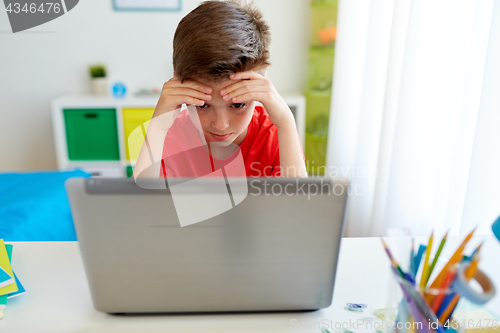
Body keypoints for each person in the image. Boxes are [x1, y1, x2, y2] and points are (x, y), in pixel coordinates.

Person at [133, 0, 307, 180]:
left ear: (261, 84)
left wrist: (286, 123)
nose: (220, 125)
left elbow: (298, 206)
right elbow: (139, 207)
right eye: (203, 105)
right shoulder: (172, 136)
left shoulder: (275, 134)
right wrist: (158, 126)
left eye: (237, 104)